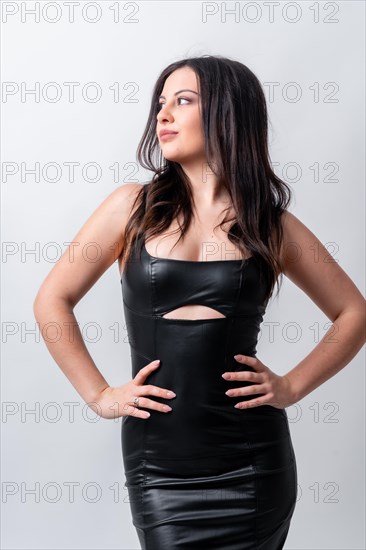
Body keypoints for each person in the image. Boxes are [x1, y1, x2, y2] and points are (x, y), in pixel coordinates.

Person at [33, 55, 366, 549]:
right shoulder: (130, 208)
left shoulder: (268, 224)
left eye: (182, 101)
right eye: (160, 103)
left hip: (254, 462)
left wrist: (292, 385)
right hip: (160, 465)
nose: (163, 115)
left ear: (228, 115)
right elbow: (52, 301)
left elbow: (353, 312)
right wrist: (100, 396)